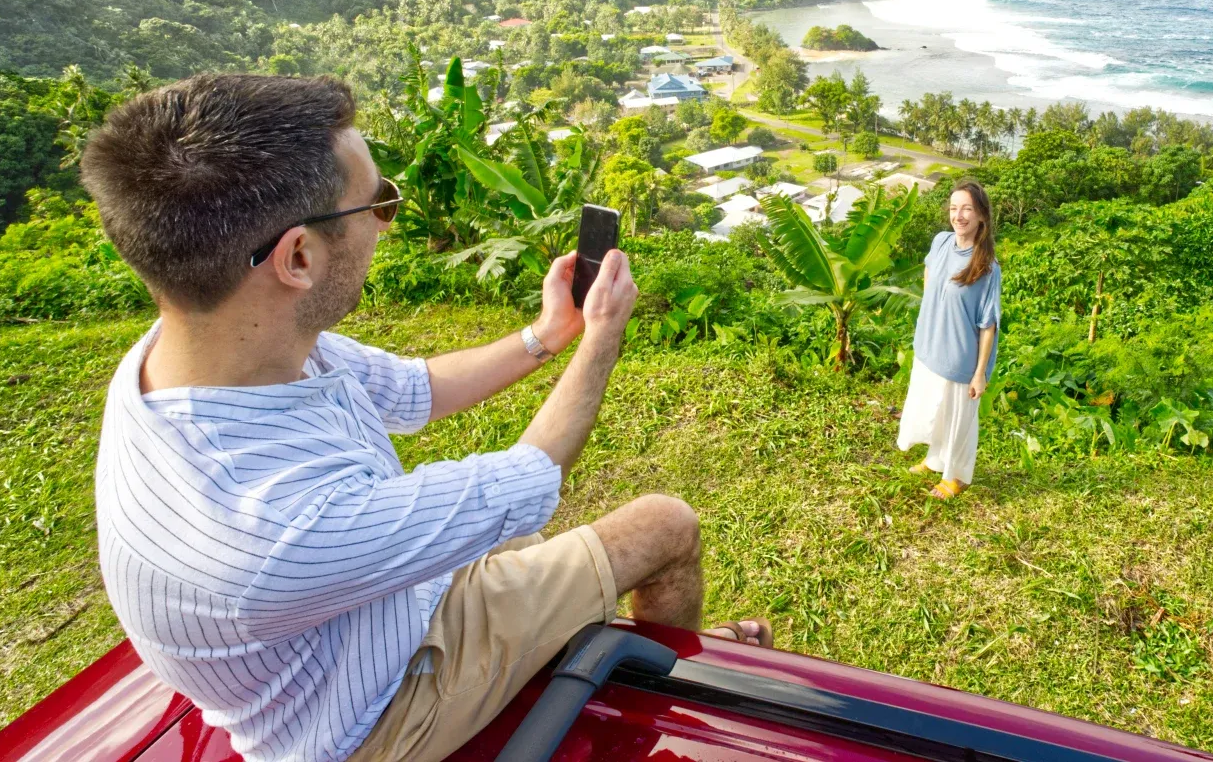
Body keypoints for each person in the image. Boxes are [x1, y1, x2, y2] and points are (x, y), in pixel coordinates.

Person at [82, 74, 770, 762]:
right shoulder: (264, 527)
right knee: (665, 525)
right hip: (374, 713)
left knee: (536, 561)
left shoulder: (208, 352)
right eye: (379, 203)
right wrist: (600, 342)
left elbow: (416, 387)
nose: (388, 219)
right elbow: (527, 478)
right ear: (298, 256)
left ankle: (633, 651)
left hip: (362, 622)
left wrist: (546, 335)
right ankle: (666, 708)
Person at [896, 181, 1002, 500]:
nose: (959, 215)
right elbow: (930, 274)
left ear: (981, 215)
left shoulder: (986, 266)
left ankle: (956, 477)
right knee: (935, 410)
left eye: (967, 208)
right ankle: (934, 459)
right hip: (931, 344)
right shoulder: (941, 242)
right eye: (954, 208)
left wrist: (980, 372)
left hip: (961, 356)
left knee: (959, 418)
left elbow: (988, 324)